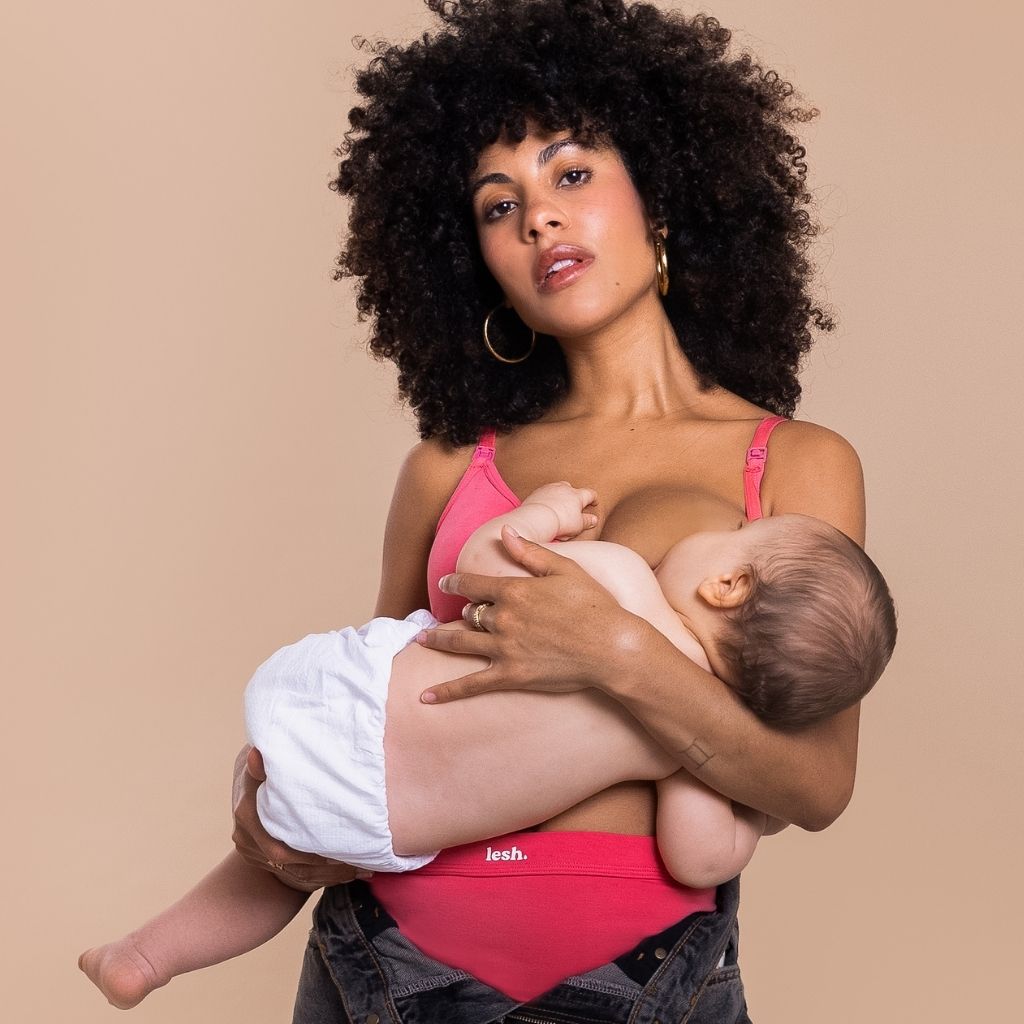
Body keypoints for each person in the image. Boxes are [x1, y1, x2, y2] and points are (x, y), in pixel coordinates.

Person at [227, 1, 872, 1020]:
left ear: (658, 197)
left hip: (647, 980)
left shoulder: (794, 463)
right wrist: (264, 807)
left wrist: (615, 652)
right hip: (382, 965)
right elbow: (376, 685)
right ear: (473, 263)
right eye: (497, 205)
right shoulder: (450, 465)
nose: (537, 218)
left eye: (570, 173)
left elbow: (816, 782)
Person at [77, 477, 895, 1008]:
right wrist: (753, 808)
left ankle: (146, 949)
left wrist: (543, 514)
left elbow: (472, 569)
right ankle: (146, 957)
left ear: (728, 582)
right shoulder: (687, 741)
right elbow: (701, 859)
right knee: (290, 860)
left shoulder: (618, 583)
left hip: (344, 703)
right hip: (386, 825)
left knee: (272, 858)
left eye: (743, 532)